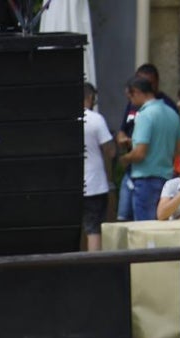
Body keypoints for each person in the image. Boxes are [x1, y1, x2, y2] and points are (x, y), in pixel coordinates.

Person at [114, 64, 177, 221]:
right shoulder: (171, 113)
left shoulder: (144, 114)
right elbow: (179, 148)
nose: (131, 102)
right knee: (159, 224)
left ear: (136, 92)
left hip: (145, 179)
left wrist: (124, 158)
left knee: (143, 228)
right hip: (166, 177)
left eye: (130, 97)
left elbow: (140, 152)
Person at [81, 82, 114, 251]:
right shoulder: (96, 119)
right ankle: (94, 265)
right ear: (89, 97)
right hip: (95, 184)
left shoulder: (63, 119)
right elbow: (110, 150)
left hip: (70, 184)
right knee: (94, 228)